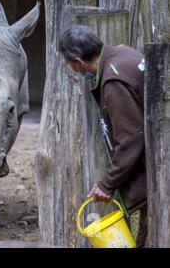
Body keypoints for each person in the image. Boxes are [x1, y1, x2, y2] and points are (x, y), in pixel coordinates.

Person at [58, 25, 147, 247]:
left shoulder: (113, 80)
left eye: (70, 65)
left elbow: (130, 140)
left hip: (157, 174)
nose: (73, 69)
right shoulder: (125, 53)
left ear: (78, 61)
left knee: (152, 233)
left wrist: (107, 184)